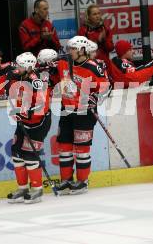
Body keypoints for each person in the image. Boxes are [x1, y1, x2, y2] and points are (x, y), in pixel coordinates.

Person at [54, 36, 110, 195]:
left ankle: (82, 182)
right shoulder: (64, 63)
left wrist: (95, 98)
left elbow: (106, 86)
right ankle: (66, 181)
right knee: (64, 148)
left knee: (81, 149)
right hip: (67, 110)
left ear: (82, 50)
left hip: (85, 112)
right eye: (69, 48)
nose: (69, 51)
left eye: (72, 49)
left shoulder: (93, 67)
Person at [6, 52, 52, 204]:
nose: (16, 68)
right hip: (24, 121)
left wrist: (23, 114)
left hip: (38, 123)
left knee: (30, 155)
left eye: (19, 65)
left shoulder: (37, 81)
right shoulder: (20, 76)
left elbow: (41, 106)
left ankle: (37, 190)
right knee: (16, 152)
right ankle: (23, 188)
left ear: (28, 66)